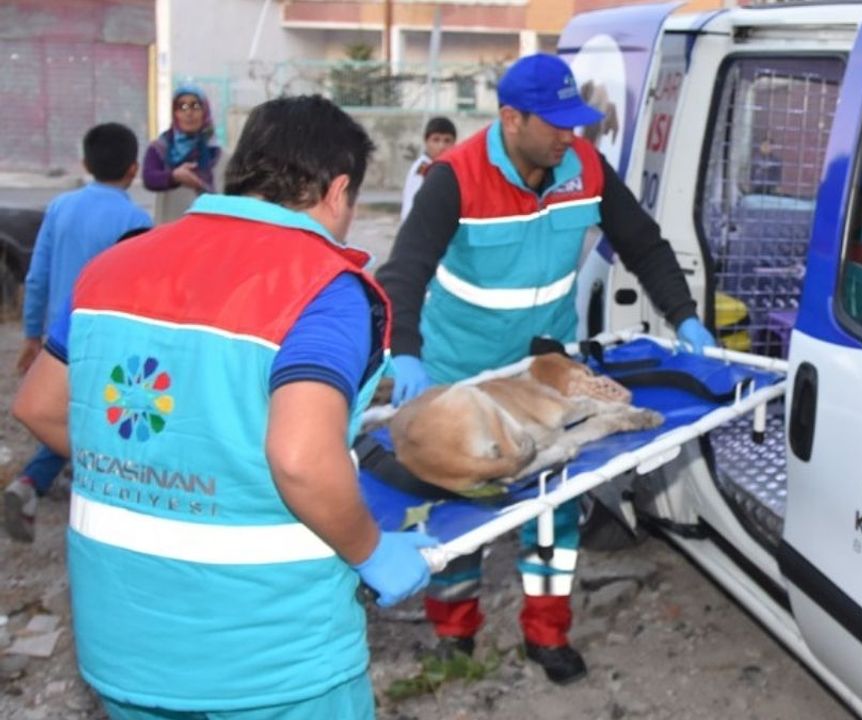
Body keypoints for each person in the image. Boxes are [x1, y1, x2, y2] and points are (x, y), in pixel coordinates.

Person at [12, 95, 435, 719]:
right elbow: (300, 460)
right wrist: (371, 550)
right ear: (338, 191)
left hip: (125, 641)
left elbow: (40, 405)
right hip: (269, 657)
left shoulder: (115, 267)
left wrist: (166, 465)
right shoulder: (322, 287)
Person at [376, 52, 716, 685]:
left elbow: (643, 243)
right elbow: (405, 270)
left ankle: (547, 633)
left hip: (542, 370)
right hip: (461, 373)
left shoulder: (584, 168)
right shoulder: (455, 177)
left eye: (576, 122)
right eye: (556, 123)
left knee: (553, 508)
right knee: (459, 512)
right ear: (511, 118)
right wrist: (408, 353)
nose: (571, 135)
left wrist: (684, 316)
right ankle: (454, 635)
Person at [5, 122, 152, 543]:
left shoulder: (60, 206)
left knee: (68, 410)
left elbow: (37, 275)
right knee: (94, 415)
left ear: (84, 163)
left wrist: (33, 335)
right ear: (133, 169)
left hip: (59, 334)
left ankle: (36, 481)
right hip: (105, 338)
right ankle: (40, 481)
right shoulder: (135, 219)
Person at [143, 84, 221, 223]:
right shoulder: (160, 148)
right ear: (175, 113)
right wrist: (174, 177)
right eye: (182, 107)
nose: (188, 113)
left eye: (195, 106)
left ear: (205, 112)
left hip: (208, 231)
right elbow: (149, 178)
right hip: (169, 229)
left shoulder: (217, 153)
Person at [401, 116, 457, 222]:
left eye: (447, 141)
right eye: (436, 140)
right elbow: (411, 205)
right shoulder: (422, 169)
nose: (442, 146)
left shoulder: (447, 167)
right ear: (426, 141)